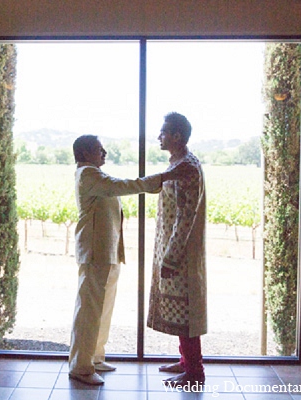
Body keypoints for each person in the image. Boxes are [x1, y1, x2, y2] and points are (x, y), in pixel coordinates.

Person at [68, 134, 187, 386]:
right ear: (87, 152)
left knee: (103, 307)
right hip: (94, 252)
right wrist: (161, 178)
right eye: (100, 149)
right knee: (89, 311)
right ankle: (81, 366)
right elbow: (123, 185)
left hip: (106, 252)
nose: (105, 153)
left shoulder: (93, 174)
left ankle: (95, 358)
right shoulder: (88, 175)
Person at [147, 112, 207, 386]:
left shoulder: (188, 168)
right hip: (172, 247)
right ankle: (185, 362)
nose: (158, 137)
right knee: (180, 310)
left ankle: (195, 372)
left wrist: (171, 257)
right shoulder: (178, 164)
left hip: (181, 252)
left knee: (187, 311)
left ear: (177, 136)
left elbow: (186, 216)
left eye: (163, 132)